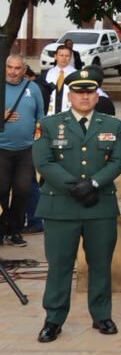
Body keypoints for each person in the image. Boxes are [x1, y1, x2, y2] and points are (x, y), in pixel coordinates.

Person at [31, 68, 121, 342]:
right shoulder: (49, 125)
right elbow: (44, 161)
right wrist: (75, 187)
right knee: (60, 265)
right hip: (61, 206)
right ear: (70, 95)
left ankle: (101, 315)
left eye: (89, 92)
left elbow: (118, 160)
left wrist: (94, 184)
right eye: (78, 92)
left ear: (97, 95)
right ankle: (53, 319)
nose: (84, 97)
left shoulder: (112, 125)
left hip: (99, 206)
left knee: (100, 263)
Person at [1, 54, 44, 247]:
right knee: (1, 191)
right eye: (9, 67)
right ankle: (2, 229)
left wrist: (39, 137)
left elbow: (40, 116)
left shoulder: (32, 88)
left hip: (26, 150)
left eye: (17, 68)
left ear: (24, 69)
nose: (12, 71)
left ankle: (15, 230)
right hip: (2, 149)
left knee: (23, 191)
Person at [40, 43, 76, 115]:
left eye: (67, 56)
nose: (64, 58)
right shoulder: (46, 75)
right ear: (55, 56)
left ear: (70, 57)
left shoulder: (76, 75)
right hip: (50, 115)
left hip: (70, 115)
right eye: (61, 55)